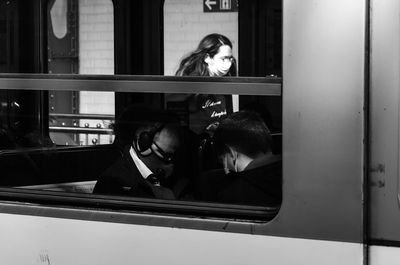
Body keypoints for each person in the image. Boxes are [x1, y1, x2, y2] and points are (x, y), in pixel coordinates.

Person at [93, 109, 183, 200]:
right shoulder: (113, 182)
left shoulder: (172, 176)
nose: (170, 161)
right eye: (166, 155)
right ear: (143, 142)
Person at [198, 110, 282, 207]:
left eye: (222, 161)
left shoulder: (235, 195)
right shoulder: (295, 174)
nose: (226, 169)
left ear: (232, 153)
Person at [168, 33, 237, 135]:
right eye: (223, 58)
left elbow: (227, 116)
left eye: (230, 58)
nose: (228, 63)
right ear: (207, 58)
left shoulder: (225, 80)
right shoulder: (192, 83)